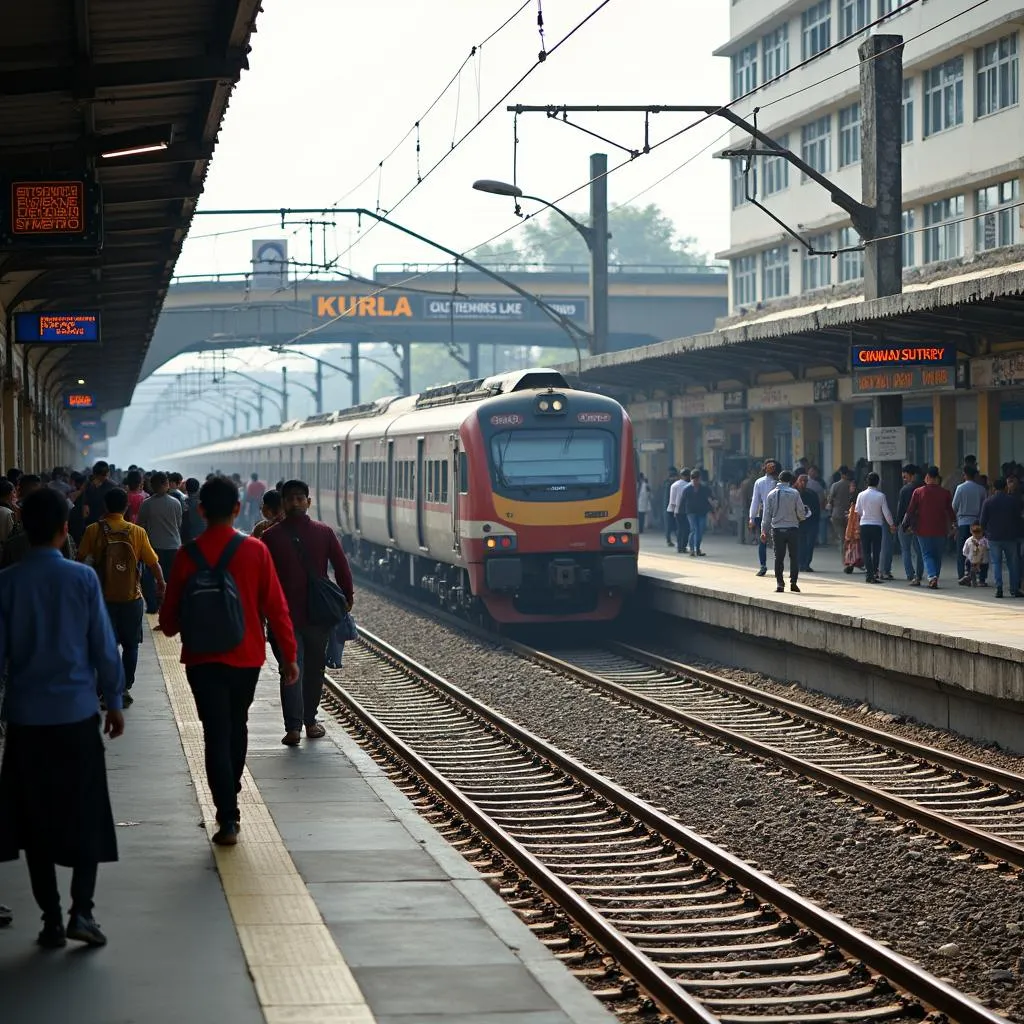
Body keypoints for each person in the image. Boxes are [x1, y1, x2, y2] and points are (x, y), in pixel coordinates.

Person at [0, 487, 125, 949]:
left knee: (34, 820)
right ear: (63, 529)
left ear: (23, 529)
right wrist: (113, 700)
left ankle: (51, 920)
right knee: (85, 812)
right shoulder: (83, 580)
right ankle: (82, 913)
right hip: (75, 717)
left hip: (26, 721)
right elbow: (103, 646)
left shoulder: (7, 583)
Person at [159, 477, 298, 846]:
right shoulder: (256, 551)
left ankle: (227, 817)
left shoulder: (188, 555)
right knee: (238, 724)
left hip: (202, 659)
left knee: (214, 732)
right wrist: (289, 657)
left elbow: (169, 622)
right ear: (238, 509)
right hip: (247, 656)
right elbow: (277, 608)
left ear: (200, 510)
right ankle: (232, 786)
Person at [262, 480, 354, 746]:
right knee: (303, 670)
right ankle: (302, 724)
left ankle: (302, 723)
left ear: (308, 502)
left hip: (306, 616)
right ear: (284, 503)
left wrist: (348, 594)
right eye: (290, 499)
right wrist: (346, 597)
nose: (295, 503)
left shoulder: (275, 536)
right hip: (296, 616)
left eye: (299, 498)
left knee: (305, 669)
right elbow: (341, 567)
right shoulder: (280, 536)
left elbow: (342, 567)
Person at [78, 488, 166, 707]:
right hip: (131, 597)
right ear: (126, 507)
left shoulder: (92, 530)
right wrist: (161, 583)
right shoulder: (136, 532)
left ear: (105, 507)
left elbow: (80, 561)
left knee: (104, 646)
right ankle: (124, 687)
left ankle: (105, 690)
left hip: (102, 599)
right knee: (131, 645)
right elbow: (153, 563)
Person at [903, 466, 956, 589]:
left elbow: (910, 510)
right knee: (937, 555)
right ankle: (935, 576)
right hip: (941, 529)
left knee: (927, 554)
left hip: (923, 529)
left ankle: (932, 577)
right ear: (937, 478)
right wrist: (954, 524)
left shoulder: (918, 492)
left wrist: (905, 524)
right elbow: (950, 511)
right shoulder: (945, 493)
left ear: (927, 477)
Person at [137, 470, 182, 610]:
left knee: (150, 577)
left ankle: (152, 605)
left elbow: (140, 524)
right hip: (173, 545)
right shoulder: (176, 503)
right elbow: (179, 523)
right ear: (167, 484)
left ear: (152, 486)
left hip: (153, 546)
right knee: (169, 578)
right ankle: (167, 605)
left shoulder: (147, 504)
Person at [761, 470, 807, 593]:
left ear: (779, 480)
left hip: (777, 530)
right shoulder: (795, 493)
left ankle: (780, 584)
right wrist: (801, 518)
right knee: (794, 557)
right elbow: (801, 513)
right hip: (792, 529)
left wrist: (763, 530)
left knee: (779, 557)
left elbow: (767, 515)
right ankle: (793, 582)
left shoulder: (771, 494)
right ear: (790, 480)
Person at [981, 478, 1022, 599]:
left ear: (993, 488)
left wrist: (984, 533)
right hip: (1010, 537)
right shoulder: (1013, 501)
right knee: (1013, 563)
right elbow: (1018, 518)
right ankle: (1014, 589)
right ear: (1005, 487)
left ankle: (999, 588)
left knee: (996, 563)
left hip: (994, 537)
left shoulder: (988, 502)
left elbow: (983, 521)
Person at [854, 472, 895, 584]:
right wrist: (891, 524)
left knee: (866, 552)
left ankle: (869, 574)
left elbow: (858, 512)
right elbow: (886, 512)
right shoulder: (881, 496)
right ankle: (874, 574)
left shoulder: (861, 495)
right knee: (876, 551)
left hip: (864, 525)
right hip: (877, 526)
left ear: (867, 482)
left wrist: (857, 528)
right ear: (878, 482)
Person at [952, 466, 988, 583]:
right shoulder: (981, 489)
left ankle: (962, 574)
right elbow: (984, 507)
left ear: (965, 475)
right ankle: (980, 576)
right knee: (979, 550)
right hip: (977, 523)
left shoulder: (960, 488)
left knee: (963, 551)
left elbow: (954, 506)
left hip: (963, 522)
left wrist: (954, 523)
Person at [748, 460, 779, 577]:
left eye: (773, 466)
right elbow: (755, 500)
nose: (771, 468)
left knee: (777, 543)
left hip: (778, 516)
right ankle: (763, 565)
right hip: (765, 516)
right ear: (764, 468)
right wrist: (752, 517)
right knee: (763, 540)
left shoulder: (779, 482)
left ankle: (777, 566)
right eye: (768, 466)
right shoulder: (760, 482)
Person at [895, 464, 925, 585]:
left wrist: (897, 523)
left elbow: (901, 508)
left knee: (906, 549)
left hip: (905, 523)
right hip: (919, 523)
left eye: (905, 476)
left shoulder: (905, 489)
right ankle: (919, 574)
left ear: (911, 475)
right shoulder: (923, 488)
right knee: (920, 551)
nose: (904, 479)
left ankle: (910, 574)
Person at [681, 470, 713, 556]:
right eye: (693, 480)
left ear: (699, 479)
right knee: (694, 529)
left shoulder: (704, 488)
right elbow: (682, 502)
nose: (695, 482)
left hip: (702, 512)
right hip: (691, 512)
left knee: (700, 531)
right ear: (691, 479)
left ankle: (697, 548)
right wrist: (681, 513)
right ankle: (692, 549)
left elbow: (709, 500)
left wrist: (712, 511)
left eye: (697, 480)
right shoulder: (687, 489)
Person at [80, 461, 117, 529]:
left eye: (104, 475)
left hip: (106, 522)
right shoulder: (88, 485)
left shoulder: (112, 487)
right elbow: (83, 501)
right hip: (90, 522)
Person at [795, 473, 820, 571]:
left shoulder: (812, 494)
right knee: (800, 544)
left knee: (810, 544)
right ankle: (800, 563)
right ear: (798, 481)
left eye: (805, 481)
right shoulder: (794, 494)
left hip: (811, 522)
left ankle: (807, 564)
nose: (803, 483)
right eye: (801, 481)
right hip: (798, 523)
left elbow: (816, 508)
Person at [826, 467, 855, 547]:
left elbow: (830, 499)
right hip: (850, 514)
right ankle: (850, 555)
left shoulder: (835, 485)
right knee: (849, 536)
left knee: (842, 536)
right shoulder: (852, 485)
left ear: (841, 474)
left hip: (837, 513)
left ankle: (844, 555)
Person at [666, 469, 692, 554]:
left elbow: (672, 500)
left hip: (675, 510)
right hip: (685, 510)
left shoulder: (674, 485)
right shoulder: (688, 485)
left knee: (679, 529)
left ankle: (679, 547)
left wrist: (673, 511)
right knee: (686, 529)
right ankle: (683, 546)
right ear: (688, 476)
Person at [961, 523, 989, 588]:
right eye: (975, 533)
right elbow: (989, 547)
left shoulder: (969, 540)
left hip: (975, 559)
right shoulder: (984, 541)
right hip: (980, 560)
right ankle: (979, 580)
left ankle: (970, 577)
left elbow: (964, 551)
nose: (977, 535)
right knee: (982, 570)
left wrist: (967, 555)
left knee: (973, 568)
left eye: (978, 533)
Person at [661, 468, 678, 547]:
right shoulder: (670, 485)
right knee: (671, 525)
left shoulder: (666, 484)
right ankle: (669, 540)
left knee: (671, 525)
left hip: (668, 507)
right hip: (669, 507)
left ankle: (671, 540)